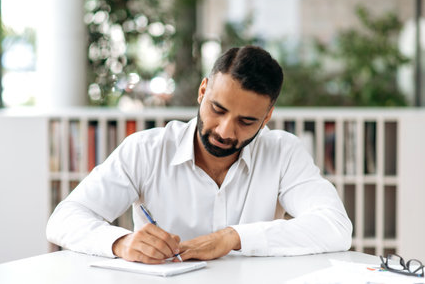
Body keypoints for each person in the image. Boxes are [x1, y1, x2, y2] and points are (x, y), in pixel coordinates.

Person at [47, 45, 352, 264]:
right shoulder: (146, 149)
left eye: (246, 121)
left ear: (268, 115)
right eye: (217, 109)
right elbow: (64, 219)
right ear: (203, 90)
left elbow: (335, 227)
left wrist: (233, 238)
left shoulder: (283, 152)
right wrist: (120, 242)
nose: (224, 131)